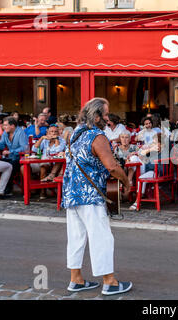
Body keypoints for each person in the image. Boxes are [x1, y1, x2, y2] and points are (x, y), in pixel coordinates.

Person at [62, 97, 132, 296]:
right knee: (101, 237)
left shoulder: (74, 134)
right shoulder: (97, 136)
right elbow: (111, 166)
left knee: (76, 237)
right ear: (96, 115)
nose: (108, 119)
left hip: (71, 193)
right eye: (106, 114)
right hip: (90, 195)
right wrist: (127, 182)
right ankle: (109, 282)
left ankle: (76, 279)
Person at [0, 116, 28, 195]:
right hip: (10, 158)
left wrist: (11, 151)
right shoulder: (5, 133)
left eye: (6, 125)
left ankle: (8, 188)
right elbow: (1, 144)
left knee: (10, 166)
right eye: (3, 125)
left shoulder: (20, 132)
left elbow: (24, 148)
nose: (4, 127)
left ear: (12, 126)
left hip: (20, 159)